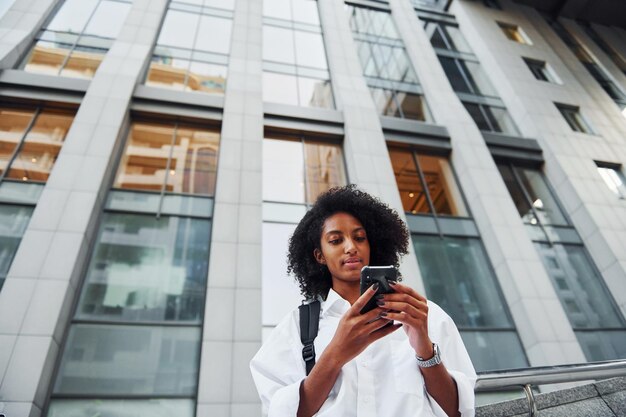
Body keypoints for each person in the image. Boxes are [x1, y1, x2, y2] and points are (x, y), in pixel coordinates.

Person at [250, 185, 476, 417]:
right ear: (319, 256)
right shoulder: (298, 327)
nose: (351, 247)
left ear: (372, 245)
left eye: (360, 238)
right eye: (336, 240)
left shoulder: (424, 314)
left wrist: (425, 350)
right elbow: (282, 412)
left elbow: (458, 412)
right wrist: (336, 353)